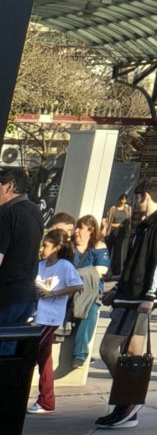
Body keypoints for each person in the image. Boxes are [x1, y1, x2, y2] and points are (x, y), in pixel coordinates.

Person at [96, 182, 157, 430]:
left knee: (108, 349)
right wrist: (118, 288)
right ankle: (127, 404)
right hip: (130, 295)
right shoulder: (146, 223)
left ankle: (129, 399)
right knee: (129, 354)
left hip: (138, 298)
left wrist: (150, 295)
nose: (134, 204)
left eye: (137, 198)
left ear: (144, 196)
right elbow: (133, 262)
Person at [31, 231, 79, 414]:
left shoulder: (64, 266)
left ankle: (44, 400)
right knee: (44, 358)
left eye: (46, 245)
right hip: (36, 316)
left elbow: (78, 285)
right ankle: (46, 400)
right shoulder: (40, 265)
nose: (42, 249)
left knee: (31, 353)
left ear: (57, 248)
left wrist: (53, 293)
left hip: (50, 318)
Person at [0, 160, 44, 338]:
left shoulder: (7, 214)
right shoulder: (35, 211)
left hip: (6, 297)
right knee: (11, 347)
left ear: (8, 186)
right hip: (26, 295)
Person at [68, 214, 109, 373]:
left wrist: (74, 274)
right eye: (76, 227)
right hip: (69, 289)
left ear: (91, 231)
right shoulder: (69, 247)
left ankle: (80, 354)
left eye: (81, 228)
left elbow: (101, 270)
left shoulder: (98, 248)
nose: (76, 231)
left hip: (89, 291)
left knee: (90, 309)